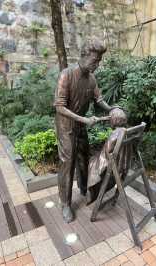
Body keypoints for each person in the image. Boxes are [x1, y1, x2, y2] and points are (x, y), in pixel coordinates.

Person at [54, 37, 120, 223]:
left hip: (81, 125)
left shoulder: (91, 79)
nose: (97, 64)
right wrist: (83, 119)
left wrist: (112, 109)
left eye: (99, 61)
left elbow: (99, 100)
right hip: (66, 126)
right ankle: (65, 203)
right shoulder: (66, 75)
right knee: (67, 163)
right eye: (94, 60)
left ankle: (84, 188)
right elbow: (59, 106)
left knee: (83, 157)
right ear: (83, 56)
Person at [87, 108, 131, 205]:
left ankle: (92, 191)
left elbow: (107, 152)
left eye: (111, 118)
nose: (109, 121)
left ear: (115, 120)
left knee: (91, 163)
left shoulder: (115, 134)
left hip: (113, 166)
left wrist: (96, 158)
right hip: (123, 165)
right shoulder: (127, 131)